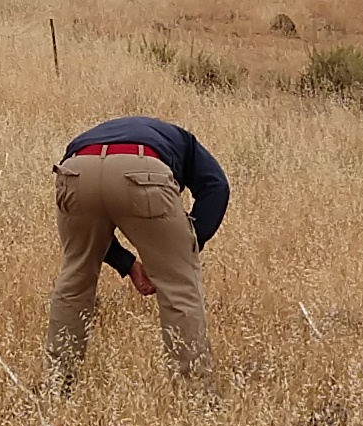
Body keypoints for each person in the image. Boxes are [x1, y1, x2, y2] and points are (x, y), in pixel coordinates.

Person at [48, 113, 228, 378]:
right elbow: (216, 186)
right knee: (179, 287)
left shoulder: (94, 134)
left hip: (76, 169)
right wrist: (189, 244)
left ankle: (57, 382)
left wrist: (127, 264)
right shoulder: (185, 141)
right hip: (144, 167)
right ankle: (194, 391)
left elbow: (92, 235)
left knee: (75, 277)